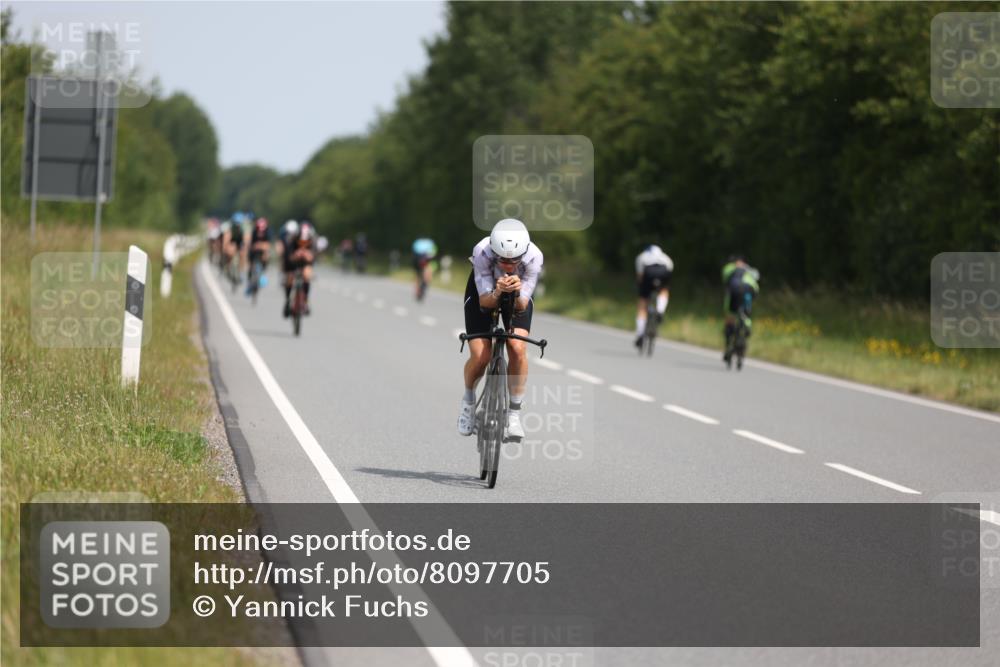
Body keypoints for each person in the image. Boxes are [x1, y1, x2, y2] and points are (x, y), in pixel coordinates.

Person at [457, 219, 543, 440]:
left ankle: (513, 415)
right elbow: (485, 302)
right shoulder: (482, 252)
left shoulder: (534, 256)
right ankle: (468, 402)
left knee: (517, 347)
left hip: (517, 294)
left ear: (523, 253)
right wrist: (497, 292)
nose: (507, 264)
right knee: (480, 355)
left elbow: (523, 305)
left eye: (514, 260)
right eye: (502, 259)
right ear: (494, 252)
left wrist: (516, 290)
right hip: (483, 293)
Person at [721, 255, 760, 363]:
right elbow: (757, 280)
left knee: (730, 316)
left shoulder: (729, 268)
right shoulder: (749, 269)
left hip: (734, 290)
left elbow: (725, 281)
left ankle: (729, 343)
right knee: (746, 313)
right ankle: (746, 325)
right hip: (749, 290)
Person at [634, 244, 674, 348]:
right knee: (664, 290)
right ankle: (660, 310)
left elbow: (640, 277)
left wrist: (642, 290)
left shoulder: (642, 256)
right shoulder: (665, 257)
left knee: (642, 305)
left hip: (648, 272)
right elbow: (669, 273)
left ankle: (640, 334)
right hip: (663, 271)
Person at [284, 222, 316, 317]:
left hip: (305, 263)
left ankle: (305, 300)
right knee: (289, 278)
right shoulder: (292, 240)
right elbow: (288, 256)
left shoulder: (312, 241)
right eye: (301, 241)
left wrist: (307, 255)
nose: (303, 243)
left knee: (307, 275)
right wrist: (296, 255)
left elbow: (313, 256)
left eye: (305, 242)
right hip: (293, 263)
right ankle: (288, 301)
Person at [246, 217, 272, 293]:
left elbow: (267, 245)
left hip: (262, 252)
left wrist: (260, 246)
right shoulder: (254, 232)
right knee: (251, 265)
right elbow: (250, 243)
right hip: (254, 251)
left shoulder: (267, 232)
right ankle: (250, 280)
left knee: (266, 255)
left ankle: (263, 269)